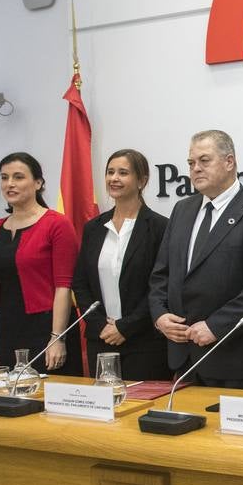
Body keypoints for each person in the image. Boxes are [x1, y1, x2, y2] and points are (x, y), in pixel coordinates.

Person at [148, 130, 243, 389]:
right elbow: (161, 275)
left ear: (229, 162)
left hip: (238, 358)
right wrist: (160, 316)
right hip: (185, 357)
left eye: (204, 160)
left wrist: (216, 325)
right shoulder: (182, 209)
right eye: (191, 163)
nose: (195, 169)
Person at [71, 149, 171, 381]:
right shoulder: (93, 228)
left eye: (123, 173)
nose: (114, 178)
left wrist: (125, 327)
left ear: (142, 180)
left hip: (145, 342)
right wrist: (99, 326)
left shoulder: (159, 227)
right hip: (102, 339)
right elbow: (81, 282)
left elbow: (160, 286)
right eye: (110, 172)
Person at [0, 152, 80, 374]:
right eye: (4, 178)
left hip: (46, 329)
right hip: (8, 329)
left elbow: (64, 286)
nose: (10, 184)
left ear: (38, 183)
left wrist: (57, 337)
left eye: (18, 177)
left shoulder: (57, 224)